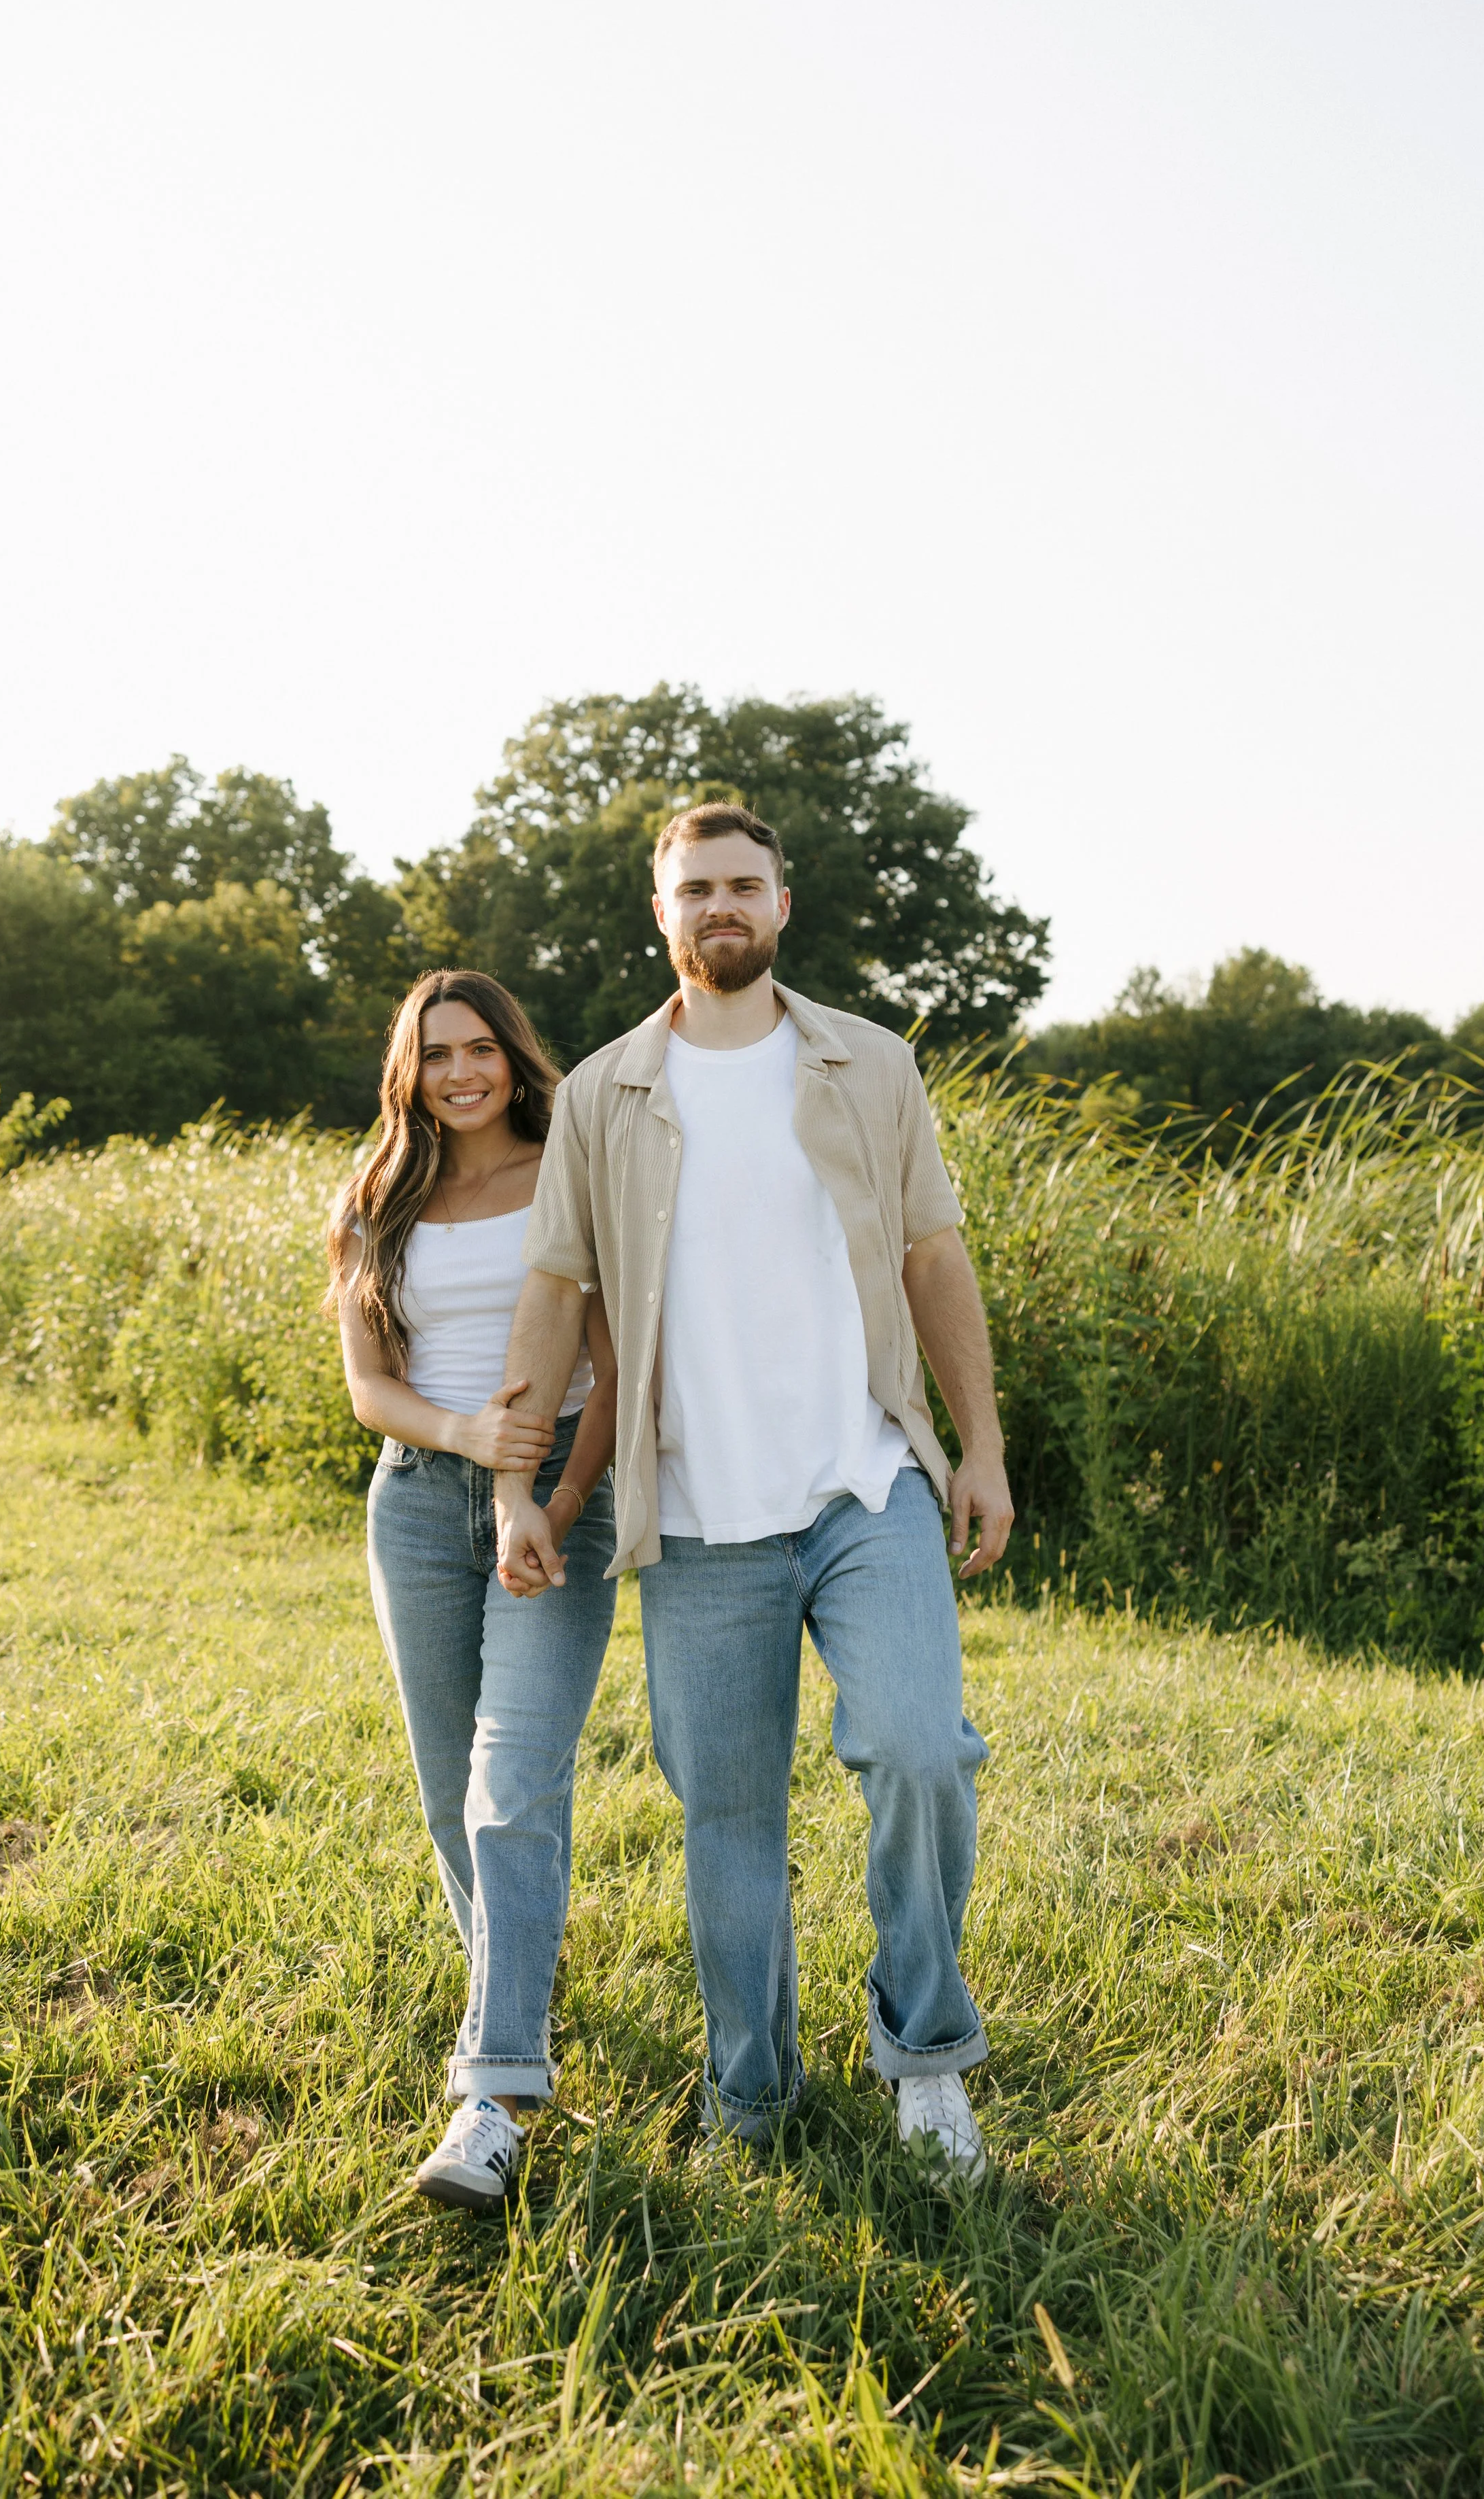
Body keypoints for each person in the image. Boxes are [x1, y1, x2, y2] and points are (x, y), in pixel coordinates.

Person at [491, 802, 1013, 2184]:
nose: (718, 905)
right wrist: (514, 1482)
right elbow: (554, 1291)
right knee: (728, 1823)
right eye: (694, 888)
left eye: (743, 885)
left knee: (919, 1748)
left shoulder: (870, 1062)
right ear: (660, 913)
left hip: (865, 1485)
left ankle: (924, 2059)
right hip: (698, 1516)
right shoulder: (602, 1094)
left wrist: (980, 1446)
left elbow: (932, 1254)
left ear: (782, 905)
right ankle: (754, 2098)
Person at [327, 970, 619, 2211]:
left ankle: (491, 2096)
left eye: (481, 1048)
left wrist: (556, 1500)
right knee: (453, 1793)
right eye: (437, 1053)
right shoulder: (375, 1198)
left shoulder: (571, 1175)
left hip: (558, 1493)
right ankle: (517, 1990)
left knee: (515, 1782)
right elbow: (370, 1389)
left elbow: (613, 1373)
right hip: (416, 1499)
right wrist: (466, 1437)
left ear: (514, 1055)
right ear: (411, 1070)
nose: (461, 1073)